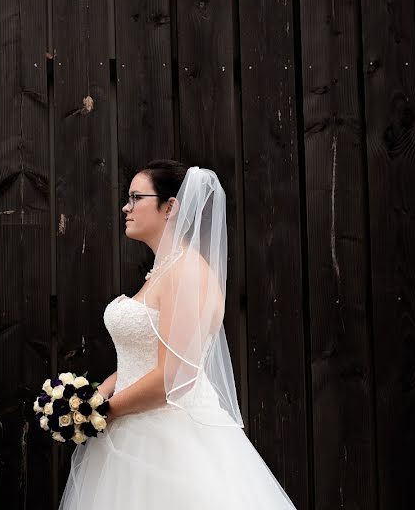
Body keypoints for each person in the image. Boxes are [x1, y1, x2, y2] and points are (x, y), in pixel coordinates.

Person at [59, 160, 296, 509]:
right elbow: (140, 359)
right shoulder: (161, 271)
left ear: (170, 206)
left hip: (168, 439)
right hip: (129, 427)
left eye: (136, 197)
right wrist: (88, 400)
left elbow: (176, 376)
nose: (126, 207)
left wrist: (106, 411)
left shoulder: (187, 273)